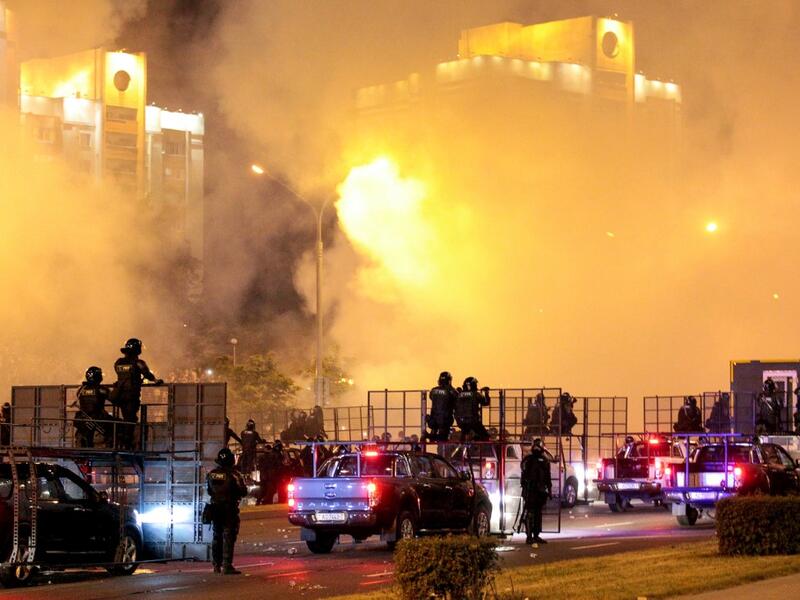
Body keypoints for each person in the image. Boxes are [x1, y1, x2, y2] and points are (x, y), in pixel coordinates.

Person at [111, 338, 162, 449]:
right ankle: (127, 445)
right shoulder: (138, 363)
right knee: (130, 420)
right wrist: (155, 380)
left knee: (126, 418)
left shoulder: (118, 362)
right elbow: (147, 374)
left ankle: (122, 441)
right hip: (131, 396)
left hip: (120, 396)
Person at [206, 447, 247, 574]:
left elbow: (209, 491)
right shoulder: (234, 475)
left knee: (216, 535)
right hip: (229, 509)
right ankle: (227, 565)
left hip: (215, 508)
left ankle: (216, 565)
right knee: (229, 536)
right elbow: (243, 491)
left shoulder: (212, 474)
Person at [520, 438, 552, 544]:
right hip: (531, 490)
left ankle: (535, 535)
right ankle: (530, 536)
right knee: (531, 513)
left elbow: (547, 477)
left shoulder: (542, 460)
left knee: (536, 514)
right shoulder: (530, 460)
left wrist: (549, 490)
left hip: (538, 491)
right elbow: (524, 476)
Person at [75, 366, 113, 448]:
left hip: (83, 418)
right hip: (98, 418)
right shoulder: (101, 389)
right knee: (115, 427)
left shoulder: (81, 389)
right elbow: (114, 399)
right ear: (98, 377)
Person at [425, 371, 459, 442]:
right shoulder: (452, 391)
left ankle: (430, 436)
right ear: (449, 380)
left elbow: (431, 397)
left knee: (435, 428)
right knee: (443, 438)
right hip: (445, 420)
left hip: (433, 419)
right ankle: (434, 437)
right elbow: (457, 400)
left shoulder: (433, 390)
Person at [454, 377, 491, 442]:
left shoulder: (458, 395)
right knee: (485, 436)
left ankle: (464, 441)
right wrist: (486, 393)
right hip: (473, 421)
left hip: (460, 421)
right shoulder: (476, 394)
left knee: (465, 431)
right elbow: (486, 403)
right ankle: (474, 441)